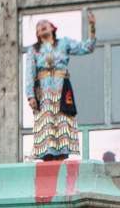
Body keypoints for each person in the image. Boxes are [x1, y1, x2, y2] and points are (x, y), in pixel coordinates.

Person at [25, 13, 96, 161]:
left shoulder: (64, 43)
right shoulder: (33, 50)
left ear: (52, 28)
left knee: (63, 120)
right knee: (46, 122)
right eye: (38, 26)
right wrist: (30, 96)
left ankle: (62, 155)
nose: (42, 25)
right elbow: (29, 73)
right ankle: (47, 156)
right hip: (43, 92)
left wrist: (92, 27)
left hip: (62, 88)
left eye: (45, 23)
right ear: (37, 34)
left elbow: (87, 47)